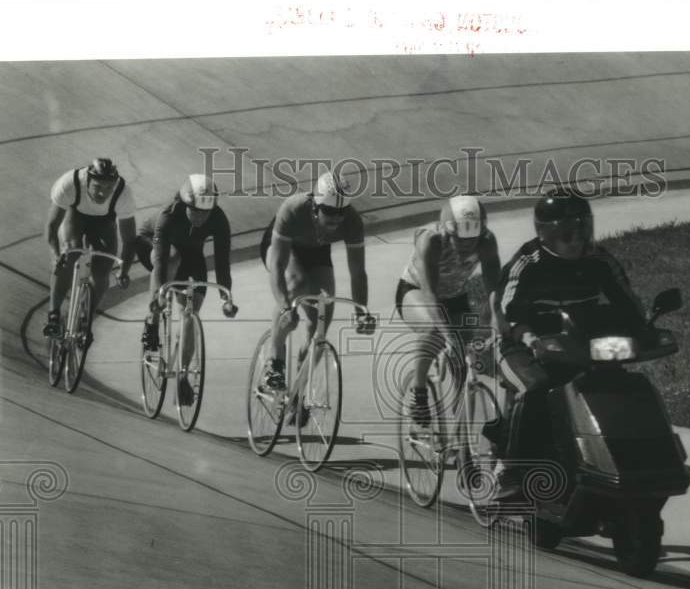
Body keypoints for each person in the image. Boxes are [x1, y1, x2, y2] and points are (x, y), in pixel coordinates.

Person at [491, 187, 648, 497]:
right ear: (546, 234)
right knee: (535, 387)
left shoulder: (600, 259)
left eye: (582, 228)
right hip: (518, 342)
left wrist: (645, 330)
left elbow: (627, 300)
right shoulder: (528, 261)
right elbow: (508, 312)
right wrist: (529, 338)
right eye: (568, 231)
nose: (577, 238)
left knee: (613, 381)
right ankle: (511, 469)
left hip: (574, 343)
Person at [259, 169, 375, 393]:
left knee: (322, 317)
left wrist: (362, 312)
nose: (336, 218)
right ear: (315, 206)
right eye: (330, 211)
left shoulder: (352, 222)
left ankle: (299, 392)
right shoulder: (293, 209)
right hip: (285, 247)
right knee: (295, 283)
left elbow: (358, 273)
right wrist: (285, 305)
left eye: (341, 212)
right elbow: (278, 266)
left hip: (317, 251)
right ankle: (274, 363)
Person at [397, 194, 501, 426]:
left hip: (455, 295)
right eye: (459, 239)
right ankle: (419, 390)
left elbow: (494, 289)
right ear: (446, 231)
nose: (467, 246)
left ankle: (460, 435)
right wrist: (447, 336)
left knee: (463, 365)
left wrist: (498, 322)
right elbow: (430, 294)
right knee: (435, 330)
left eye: (472, 240)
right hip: (416, 291)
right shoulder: (431, 241)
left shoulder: (487, 241)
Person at [137, 174, 238, 406]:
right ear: (185, 204)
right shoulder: (168, 216)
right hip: (153, 245)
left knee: (190, 315)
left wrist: (226, 297)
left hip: (192, 254)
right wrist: (158, 295)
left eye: (207, 212)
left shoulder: (219, 219)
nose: (202, 217)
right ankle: (152, 322)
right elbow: (161, 261)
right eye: (196, 210)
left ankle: (183, 375)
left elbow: (222, 262)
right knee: (172, 258)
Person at [43, 158, 136, 340]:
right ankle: (53, 315)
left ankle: (85, 321)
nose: (103, 193)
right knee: (69, 253)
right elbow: (51, 226)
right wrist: (55, 256)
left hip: (104, 222)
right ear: (88, 181)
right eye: (98, 187)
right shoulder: (69, 183)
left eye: (108, 187)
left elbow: (129, 240)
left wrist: (124, 271)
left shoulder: (123, 192)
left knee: (102, 273)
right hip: (75, 215)